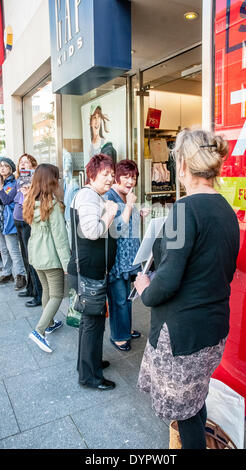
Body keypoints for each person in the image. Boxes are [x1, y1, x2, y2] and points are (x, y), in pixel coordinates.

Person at [134, 128, 240, 449]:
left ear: (181, 165)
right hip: (213, 329)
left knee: (186, 416)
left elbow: (166, 281)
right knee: (195, 401)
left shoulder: (183, 210)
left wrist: (144, 288)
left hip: (183, 336)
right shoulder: (225, 208)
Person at [67, 153, 118, 391]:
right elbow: (92, 231)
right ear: (92, 174)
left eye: (111, 174)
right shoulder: (88, 196)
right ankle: (89, 376)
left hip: (93, 270)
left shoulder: (93, 195)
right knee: (92, 323)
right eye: (105, 173)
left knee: (94, 322)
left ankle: (90, 364)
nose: (110, 178)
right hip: (88, 272)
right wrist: (110, 212)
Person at [23, 164, 70, 353]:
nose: (59, 181)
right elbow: (60, 239)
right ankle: (39, 331)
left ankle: (49, 322)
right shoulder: (53, 205)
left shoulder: (30, 201)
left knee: (47, 291)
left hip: (36, 255)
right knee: (57, 294)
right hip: (51, 257)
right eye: (57, 178)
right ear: (51, 181)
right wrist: (67, 265)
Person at [105, 159, 149, 351]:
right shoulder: (110, 197)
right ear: (117, 177)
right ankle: (118, 336)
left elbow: (127, 220)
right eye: (126, 177)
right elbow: (116, 229)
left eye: (134, 177)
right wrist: (131, 207)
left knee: (128, 298)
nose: (131, 181)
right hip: (117, 260)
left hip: (130, 256)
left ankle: (125, 330)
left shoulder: (126, 195)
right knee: (118, 300)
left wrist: (138, 213)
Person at [14, 153, 43, 307]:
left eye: (26, 162)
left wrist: (28, 190)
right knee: (25, 257)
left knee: (32, 258)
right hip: (18, 220)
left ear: (33, 165)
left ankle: (39, 294)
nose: (23, 165)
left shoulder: (36, 181)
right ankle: (30, 288)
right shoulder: (19, 179)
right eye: (21, 163)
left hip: (27, 221)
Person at [0, 156, 27, 289]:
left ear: (11, 168)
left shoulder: (12, 183)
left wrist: (0, 188)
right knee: (4, 250)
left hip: (10, 222)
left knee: (14, 251)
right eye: (0, 166)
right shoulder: (3, 183)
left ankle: (21, 276)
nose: (2, 168)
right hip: (2, 221)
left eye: (5, 166)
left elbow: (6, 199)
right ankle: (7, 272)